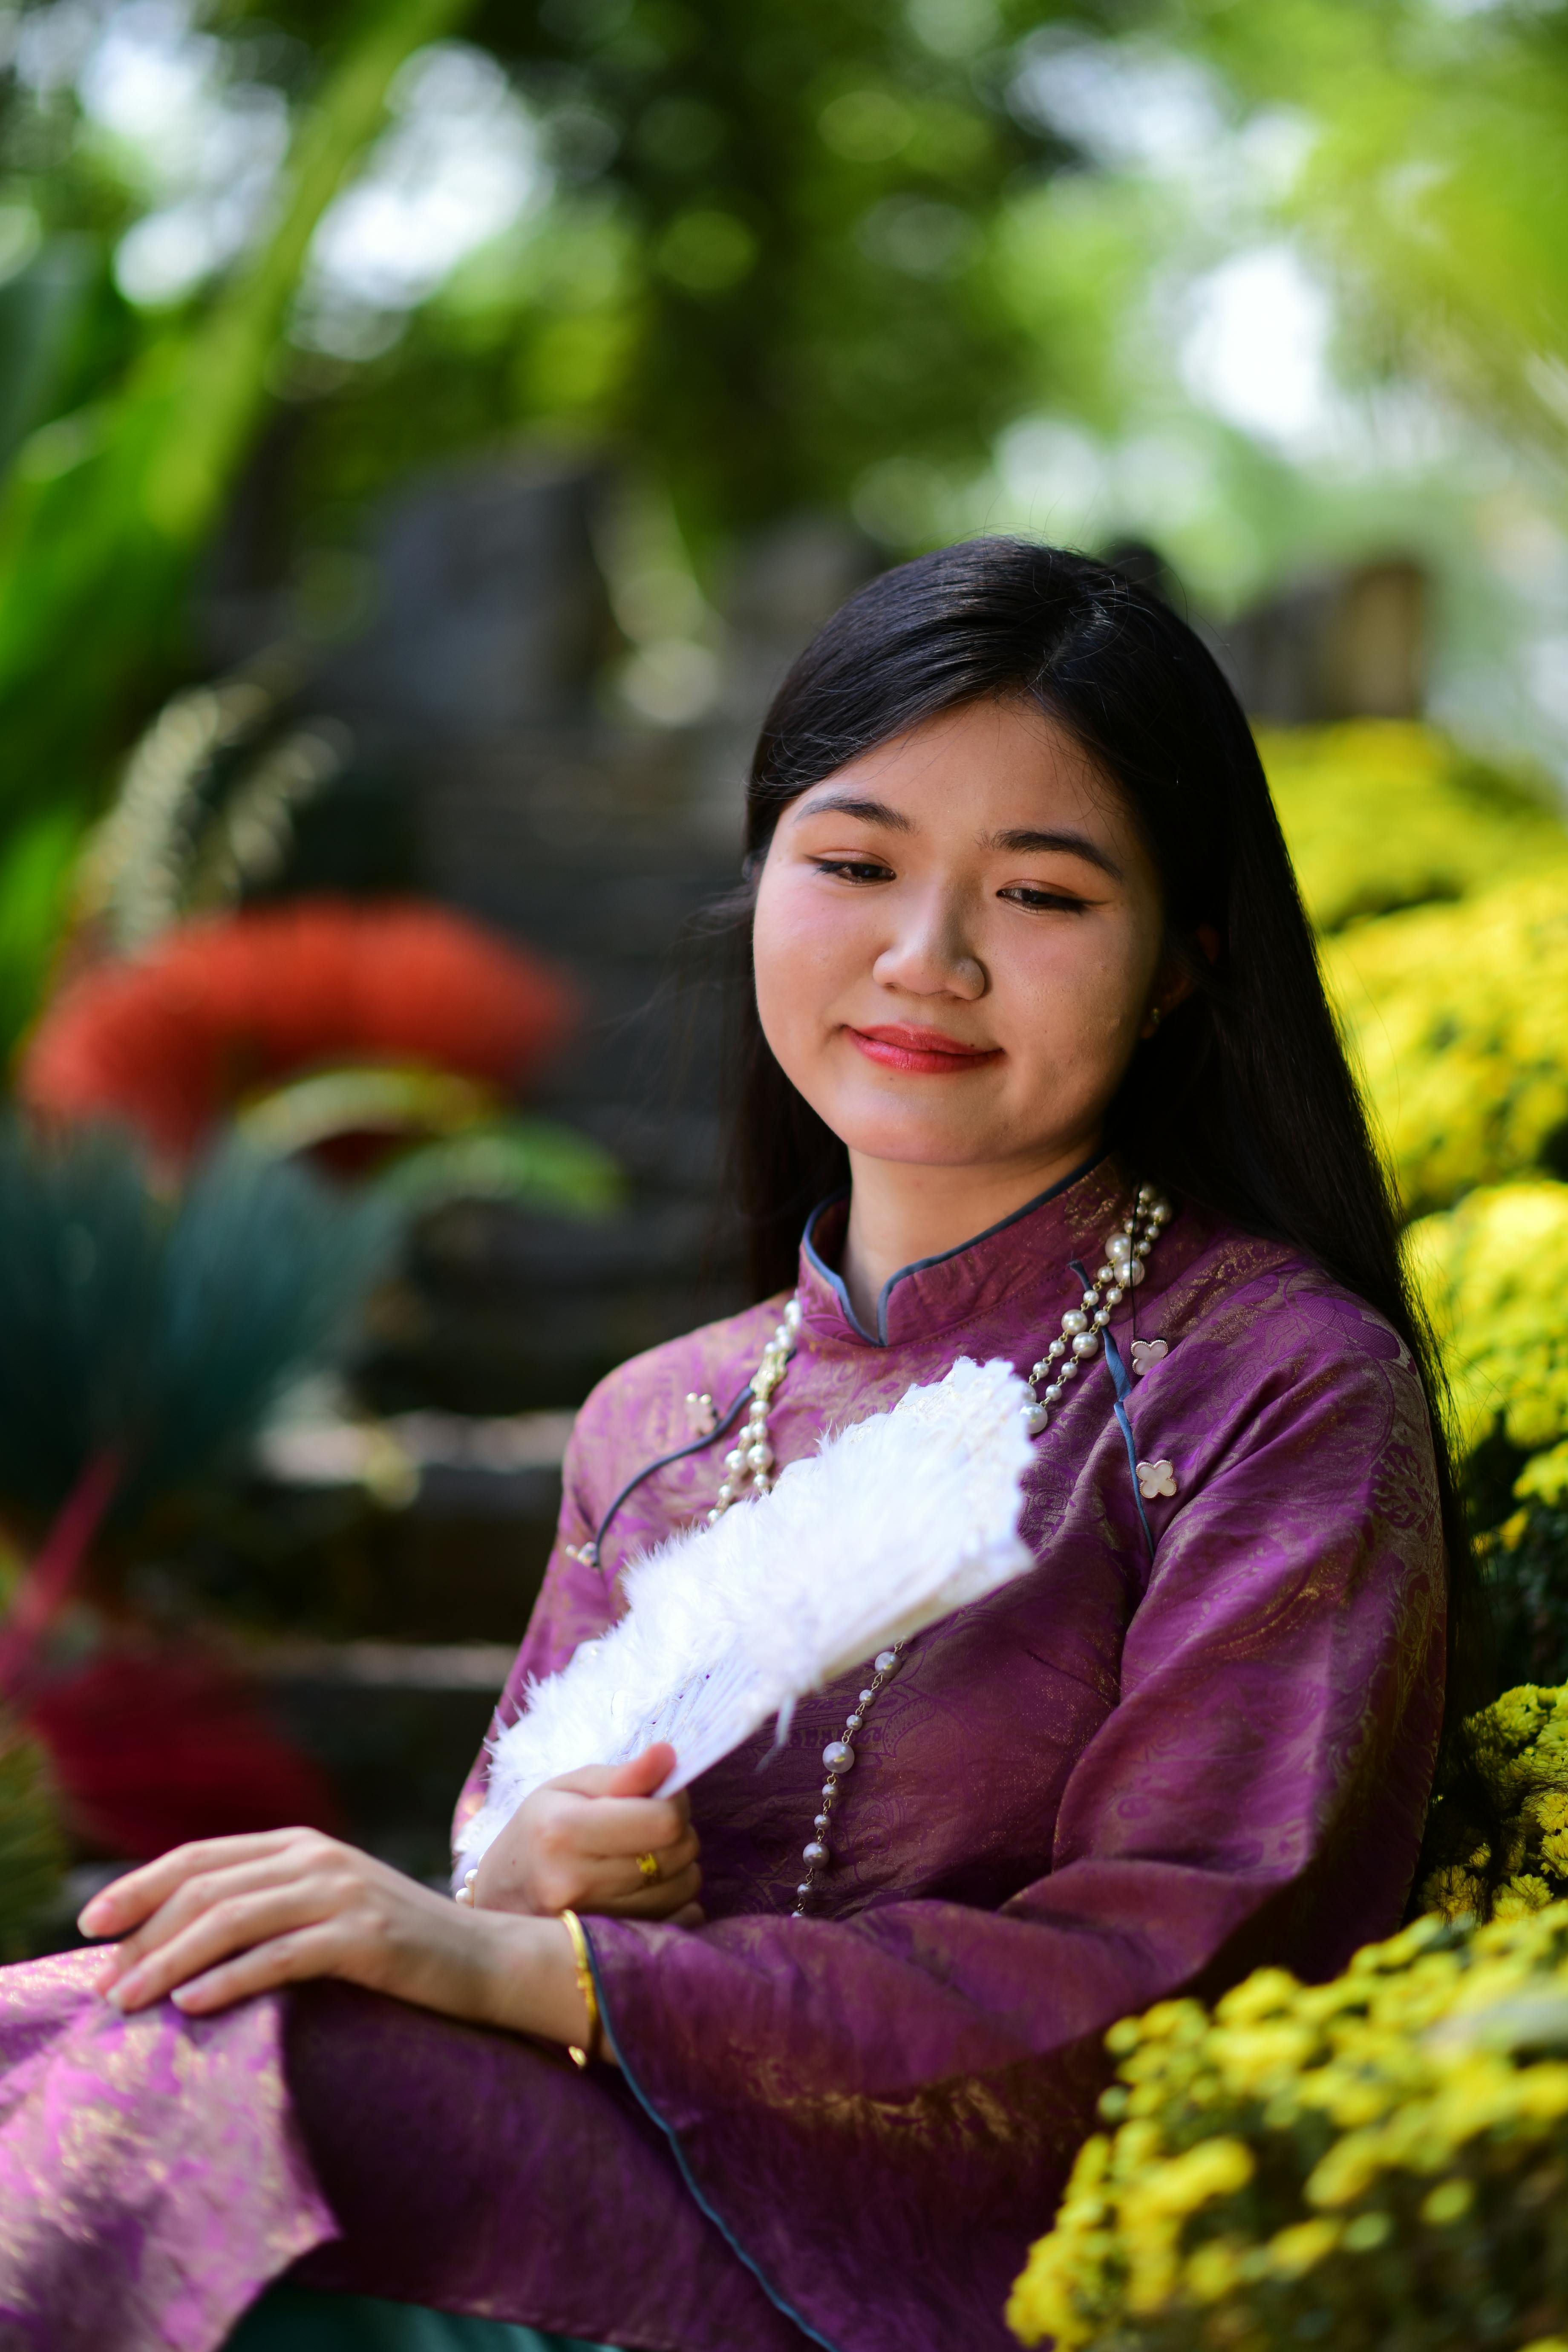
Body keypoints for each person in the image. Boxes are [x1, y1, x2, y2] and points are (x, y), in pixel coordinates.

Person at [0, 541, 1478, 2352]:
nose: (921, 960)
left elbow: (1187, 1962)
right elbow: (499, 1850)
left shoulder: (1268, 1387)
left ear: (1180, 966)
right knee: (67, 2034)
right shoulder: (660, 1414)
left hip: (940, 2256)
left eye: (1038, 897)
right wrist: (524, 1869)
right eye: (853, 865)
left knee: (207, 2070)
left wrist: (535, 1968)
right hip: (605, 2161)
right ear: (763, 876)